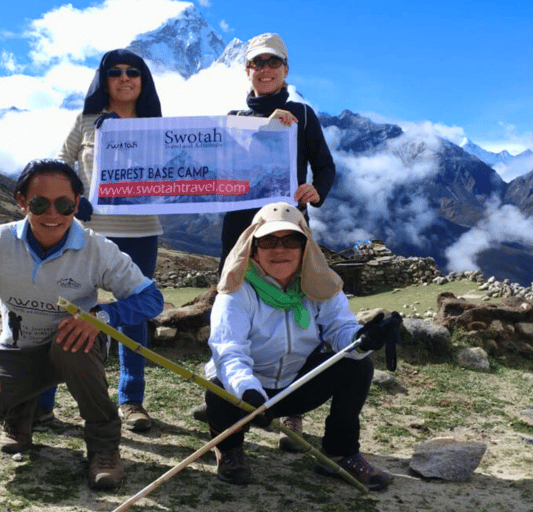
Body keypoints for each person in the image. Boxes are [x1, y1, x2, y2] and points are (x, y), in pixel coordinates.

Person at [0, 159, 165, 490]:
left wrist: (102, 317)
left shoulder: (97, 248)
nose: (52, 214)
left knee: (69, 341)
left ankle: (103, 446)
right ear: (22, 201)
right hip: (18, 349)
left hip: (77, 348)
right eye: (39, 203)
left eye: (65, 204)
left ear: (78, 203)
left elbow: (151, 299)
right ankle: (19, 413)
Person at [205, 202, 398, 491]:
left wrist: (364, 338)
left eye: (291, 240)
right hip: (246, 395)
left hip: (297, 384)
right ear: (253, 247)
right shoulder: (237, 291)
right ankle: (229, 448)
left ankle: (340, 452)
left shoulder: (318, 285)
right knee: (219, 383)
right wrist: (248, 391)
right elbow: (228, 349)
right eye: (268, 240)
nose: (279, 249)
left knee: (357, 365)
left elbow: (340, 329)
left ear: (304, 247)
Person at [208, 32, 337, 449]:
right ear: (247, 70)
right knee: (234, 300)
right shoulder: (231, 116)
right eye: (256, 64)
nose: (264, 70)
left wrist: (316, 191)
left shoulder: (302, 114)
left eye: (273, 63)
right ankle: (232, 393)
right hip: (241, 227)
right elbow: (220, 163)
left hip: (285, 226)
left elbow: (325, 167)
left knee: (295, 302)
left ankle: (291, 408)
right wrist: (265, 128)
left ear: (285, 69)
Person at [53, 48, 164, 432]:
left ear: (143, 79)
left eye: (133, 71)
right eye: (114, 72)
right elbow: (59, 161)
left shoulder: (158, 125)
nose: (124, 78)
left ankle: (132, 400)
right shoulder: (85, 121)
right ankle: (45, 399)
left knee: (135, 312)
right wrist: (72, 200)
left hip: (142, 231)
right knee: (71, 307)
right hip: (91, 231)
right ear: (103, 79)